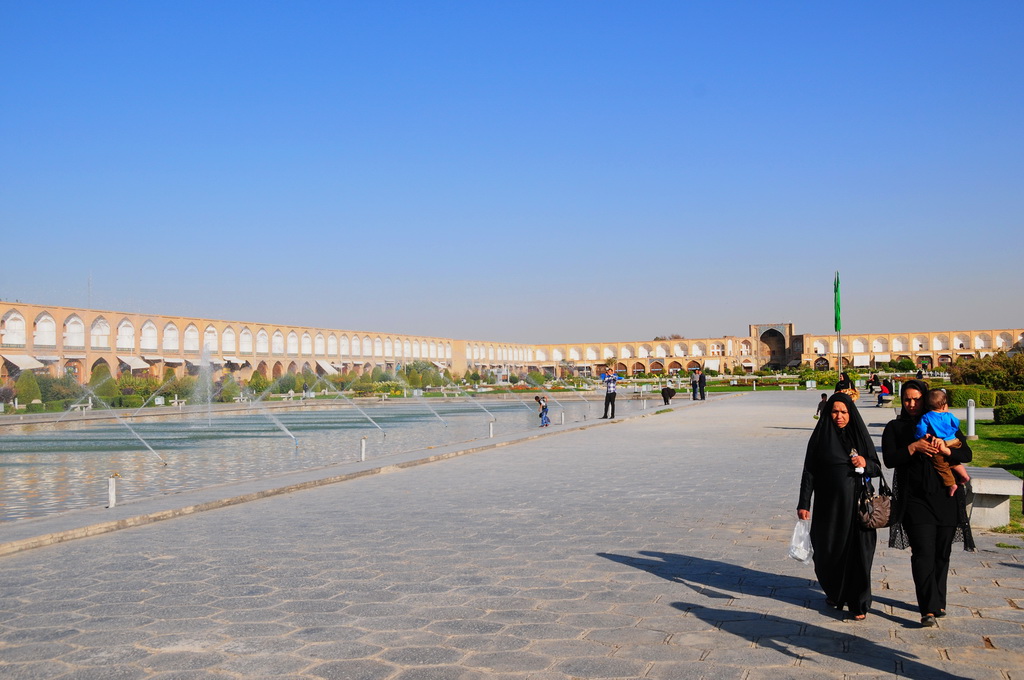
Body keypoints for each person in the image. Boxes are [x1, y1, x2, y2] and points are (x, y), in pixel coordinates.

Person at [883, 380, 974, 628]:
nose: (912, 405)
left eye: (917, 399)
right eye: (907, 399)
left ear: (925, 399)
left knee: (942, 553)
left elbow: (966, 454)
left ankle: (939, 601)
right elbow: (890, 459)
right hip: (915, 499)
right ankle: (928, 609)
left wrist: (945, 451)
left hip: (946, 497)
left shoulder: (941, 422)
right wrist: (913, 447)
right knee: (923, 552)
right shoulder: (896, 427)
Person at [797, 392, 882, 620]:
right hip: (829, 507)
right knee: (827, 551)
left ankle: (858, 603)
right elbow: (810, 471)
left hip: (856, 507)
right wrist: (804, 503)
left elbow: (876, 467)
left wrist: (865, 463)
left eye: (844, 412)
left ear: (851, 413)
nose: (839, 416)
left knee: (859, 553)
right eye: (834, 412)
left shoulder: (859, 436)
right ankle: (834, 592)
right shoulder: (819, 438)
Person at [914, 390, 971, 496]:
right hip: (954, 441)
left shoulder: (927, 417)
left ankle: (951, 484)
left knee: (941, 464)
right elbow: (956, 423)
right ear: (944, 405)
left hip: (941, 443)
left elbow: (920, 429)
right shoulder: (949, 415)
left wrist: (920, 436)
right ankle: (964, 475)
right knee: (953, 461)